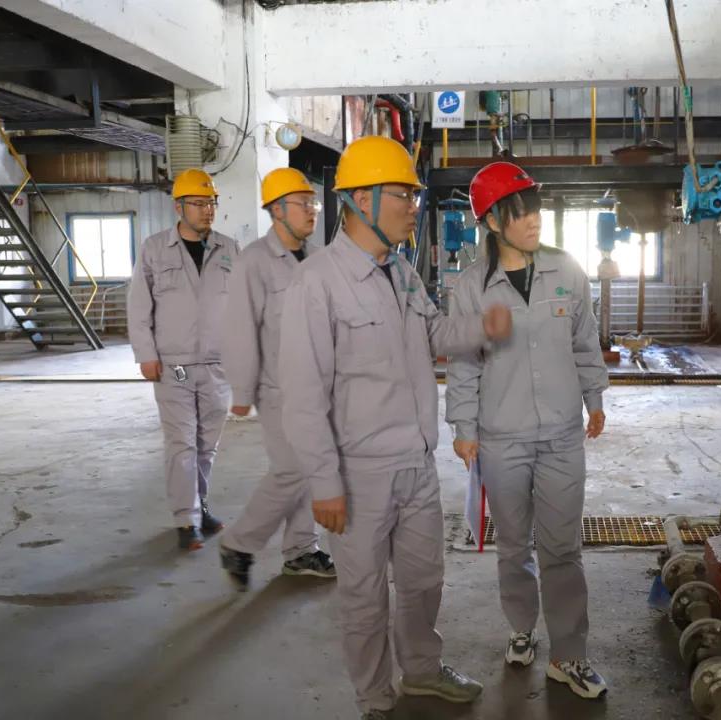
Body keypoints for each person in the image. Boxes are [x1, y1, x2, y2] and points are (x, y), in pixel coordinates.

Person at [277, 136, 513, 720]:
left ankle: (423, 672)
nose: (414, 205)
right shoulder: (317, 284)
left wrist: (482, 328)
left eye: (413, 194)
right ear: (362, 199)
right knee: (363, 597)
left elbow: (435, 334)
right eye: (404, 194)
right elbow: (302, 397)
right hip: (358, 473)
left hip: (416, 463)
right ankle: (375, 699)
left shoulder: (400, 271)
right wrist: (324, 483)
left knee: (424, 579)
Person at [445, 162, 610, 699]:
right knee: (513, 545)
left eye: (535, 208)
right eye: (520, 212)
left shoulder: (567, 269)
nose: (534, 219)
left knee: (563, 548)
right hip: (502, 438)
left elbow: (585, 339)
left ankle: (569, 654)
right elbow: (464, 363)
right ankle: (521, 627)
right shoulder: (472, 286)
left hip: (561, 434)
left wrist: (594, 397)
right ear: (493, 222)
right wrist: (463, 426)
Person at [218, 168, 335, 589]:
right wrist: (242, 389)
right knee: (292, 469)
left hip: (321, 389)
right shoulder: (254, 261)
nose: (312, 210)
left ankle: (300, 550)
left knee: (310, 467)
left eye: (313, 202)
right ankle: (238, 543)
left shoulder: (320, 258)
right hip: (279, 390)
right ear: (277, 210)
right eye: (303, 203)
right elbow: (240, 328)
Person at [127, 169, 239, 550]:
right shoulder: (155, 249)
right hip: (173, 364)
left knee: (207, 445)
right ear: (179, 207)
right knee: (182, 443)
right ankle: (186, 519)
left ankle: (200, 506)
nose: (208, 210)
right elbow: (139, 306)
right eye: (199, 203)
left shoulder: (229, 249)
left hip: (217, 365)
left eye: (211, 203)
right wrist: (145, 354)